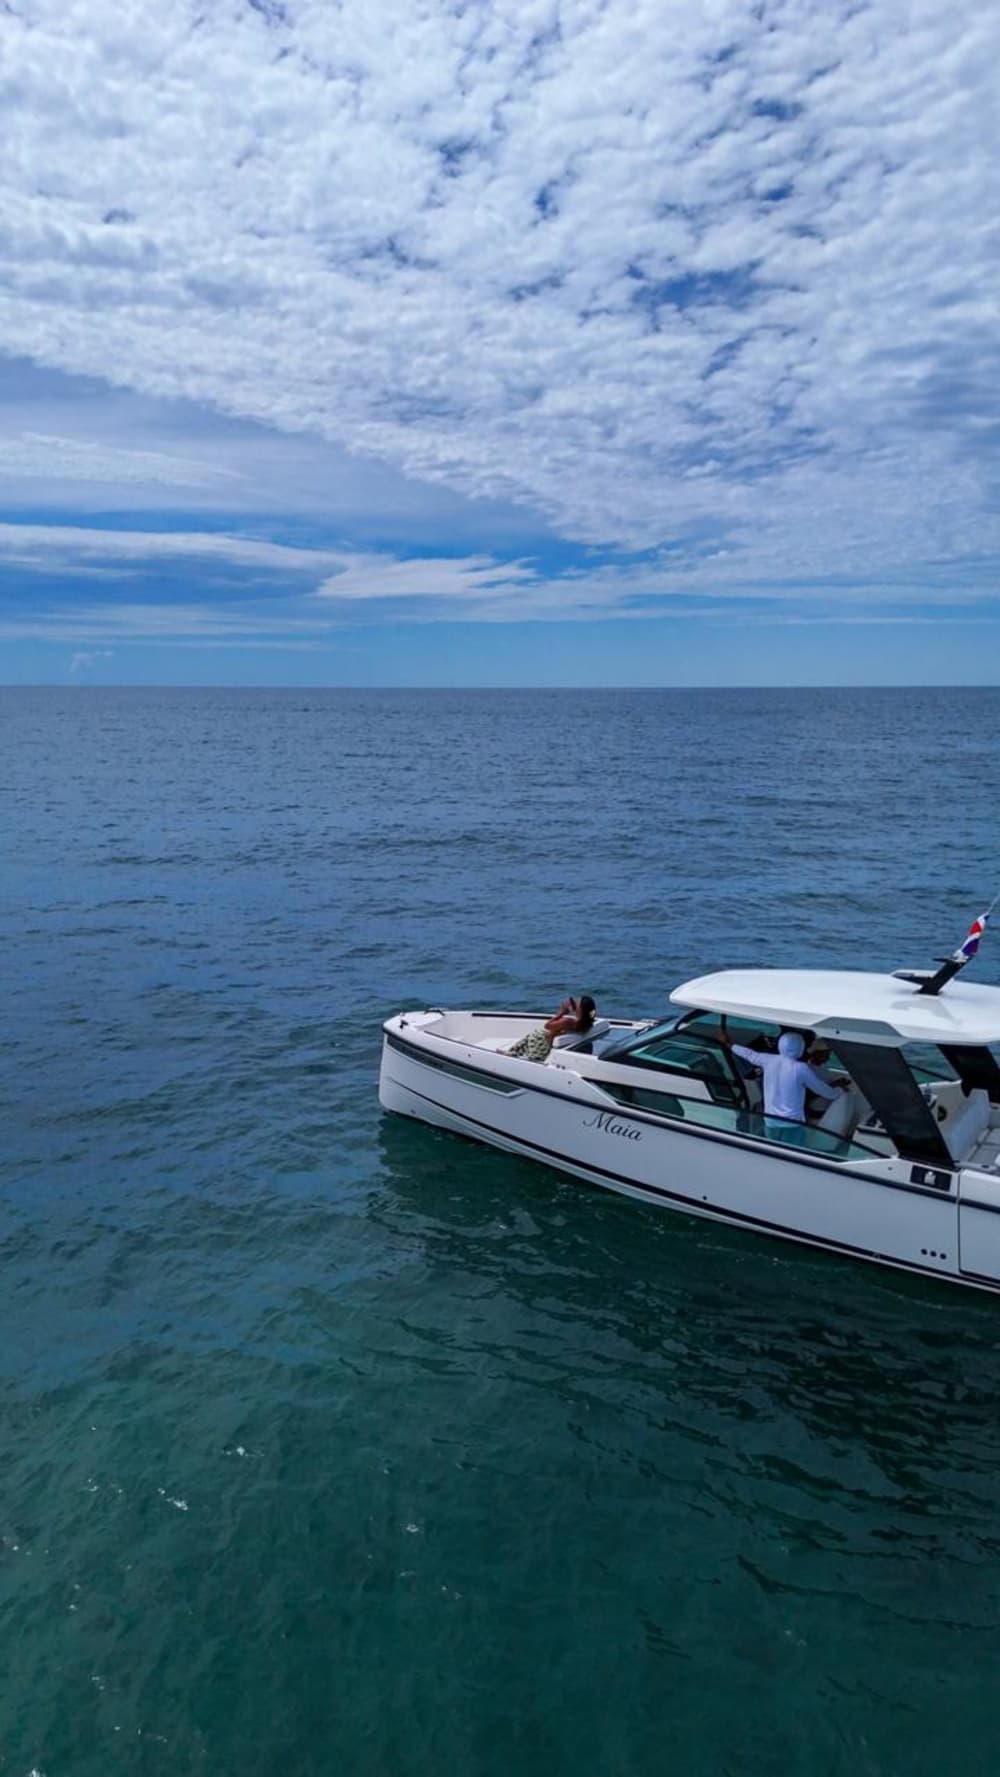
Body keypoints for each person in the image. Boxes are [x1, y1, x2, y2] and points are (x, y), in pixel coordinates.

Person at [720, 1024, 846, 1124]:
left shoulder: (768, 1060)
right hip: (792, 1124)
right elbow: (821, 1090)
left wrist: (729, 1044)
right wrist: (838, 1091)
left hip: (770, 1121)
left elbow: (750, 1055)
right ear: (801, 1047)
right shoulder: (801, 1068)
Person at [507, 995, 597, 1063]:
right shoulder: (587, 1025)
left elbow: (547, 1025)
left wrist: (561, 1012)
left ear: (580, 1009)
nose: (575, 1003)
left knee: (532, 1035)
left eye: (577, 1004)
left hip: (543, 1044)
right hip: (548, 1041)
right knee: (531, 1037)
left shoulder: (569, 1022)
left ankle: (511, 1054)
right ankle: (511, 1053)